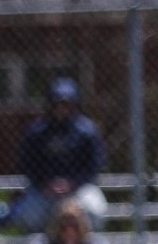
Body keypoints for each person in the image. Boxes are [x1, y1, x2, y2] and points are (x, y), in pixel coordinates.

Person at [10, 79, 108, 235]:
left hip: (78, 189)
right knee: (29, 215)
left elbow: (95, 165)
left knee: (94, 211)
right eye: (58, 104)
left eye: (67, 104)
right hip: (44, 190)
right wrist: (45, 184)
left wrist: (73, 183)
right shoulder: (37, 132)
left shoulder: (87, 131)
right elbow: (25, 164)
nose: (62, 109)